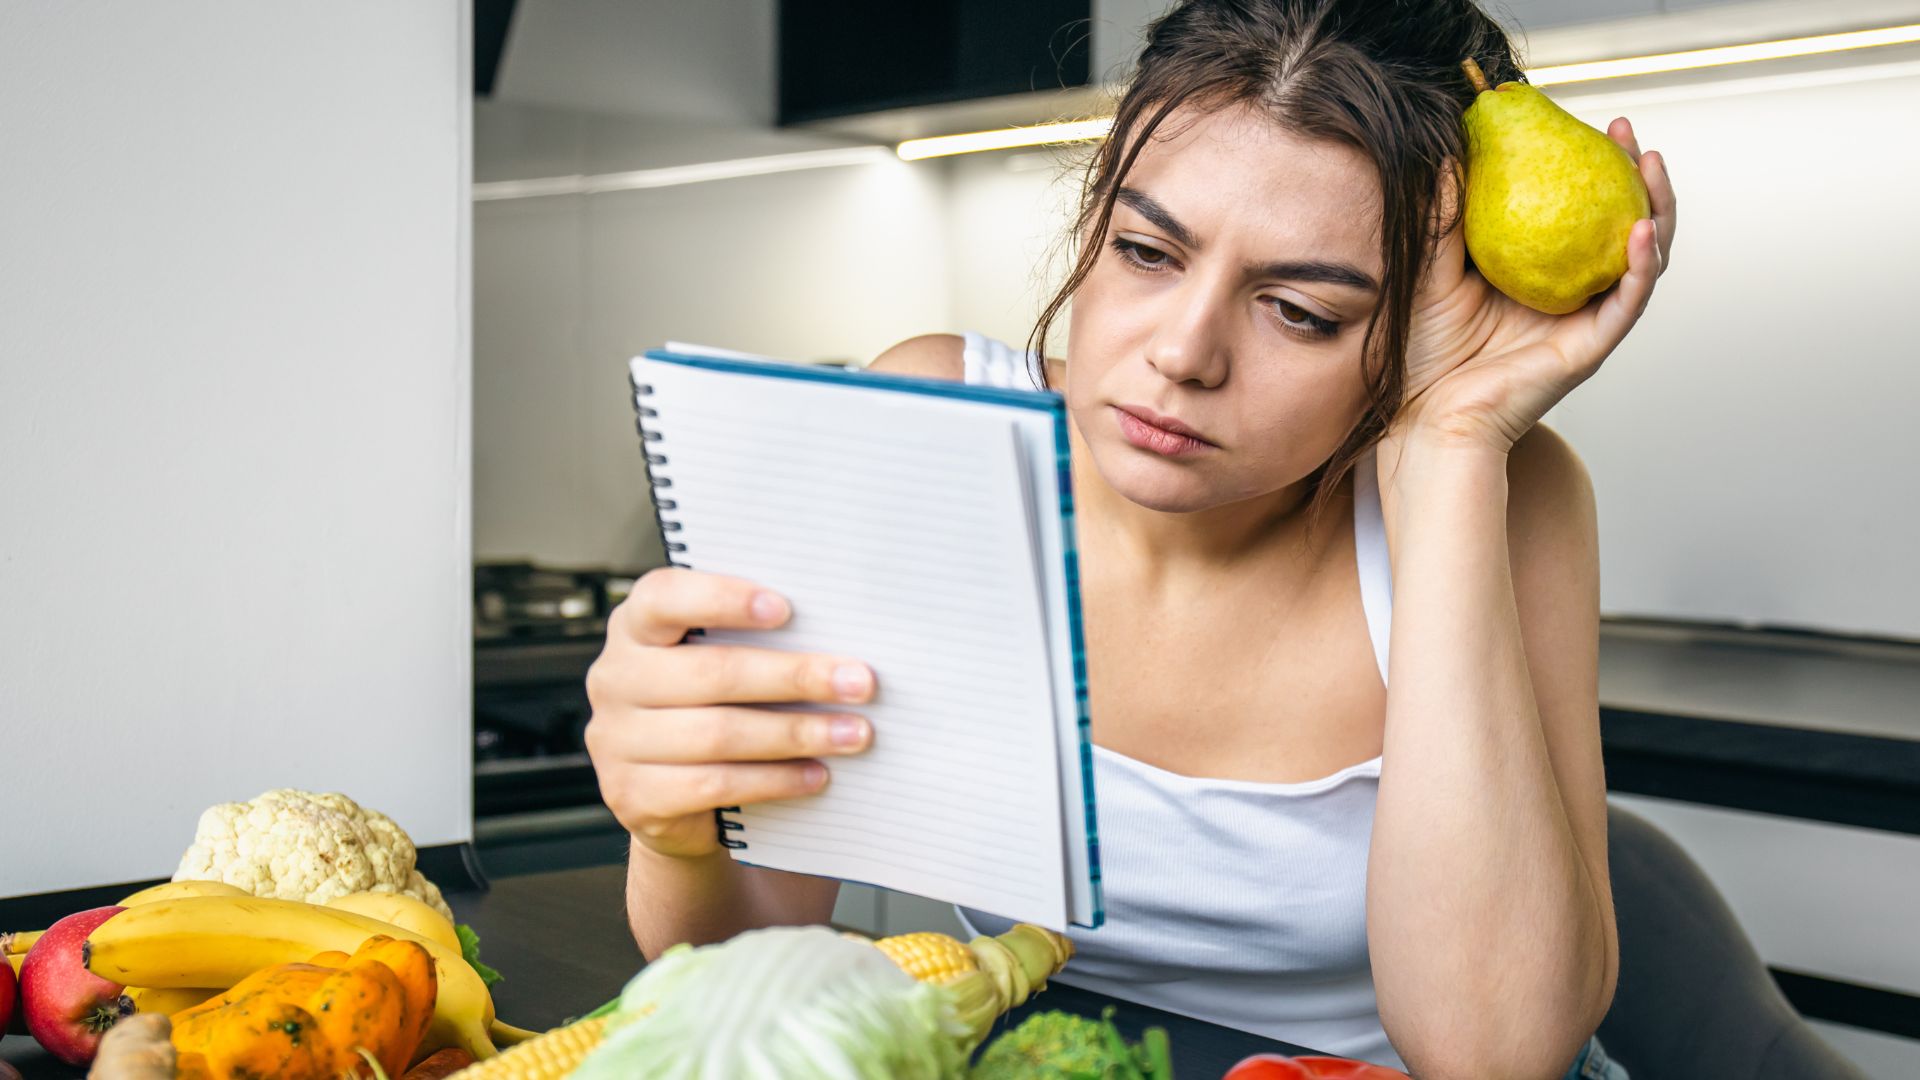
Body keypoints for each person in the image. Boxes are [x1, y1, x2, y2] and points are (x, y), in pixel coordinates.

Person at [584, 0, 1675, 1076]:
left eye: (1301, 311)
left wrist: (1446, 453)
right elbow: (740, 956)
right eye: (1150, 252)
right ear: (1092, 218)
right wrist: (677, 825)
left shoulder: (1501, 490)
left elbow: (1496, 1057)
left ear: (1417, 330)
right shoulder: (935, 422)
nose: (1185, 355)